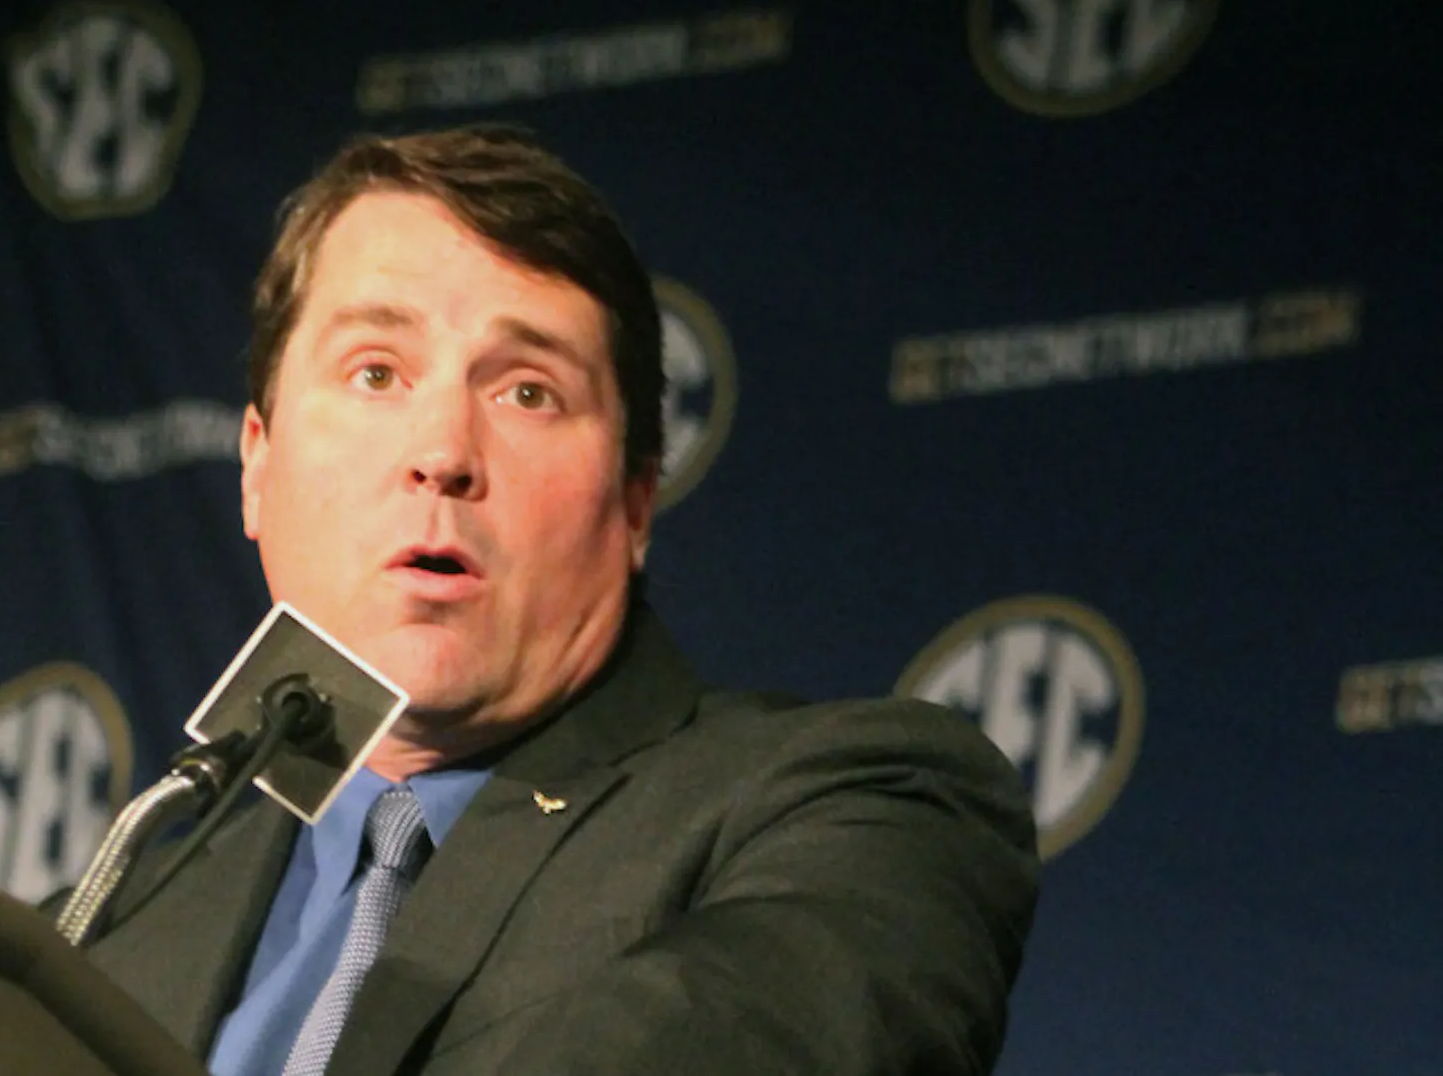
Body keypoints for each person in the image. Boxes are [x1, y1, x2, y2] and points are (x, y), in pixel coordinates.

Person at [83, 124, 1040, 1076]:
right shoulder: (102, 928)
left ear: (634, 502)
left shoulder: (857, 809)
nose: (445, 453)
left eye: (528, 392)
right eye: (377, 372)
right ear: (256, 464)